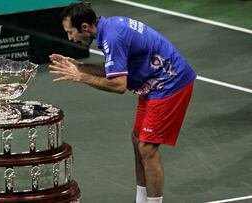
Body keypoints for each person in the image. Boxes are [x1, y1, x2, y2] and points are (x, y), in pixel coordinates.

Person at [49, 2, 196, 203]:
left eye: (70, 32)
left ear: (84, 27)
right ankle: (141, 200)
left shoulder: (112, 37)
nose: (70, 38)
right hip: (152, 86)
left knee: (147, 148)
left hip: (170, 83)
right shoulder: (110, 27)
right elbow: (115, 67)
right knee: (138, 140)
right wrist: (80, 67)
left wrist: (80, 77)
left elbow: (118, 85)